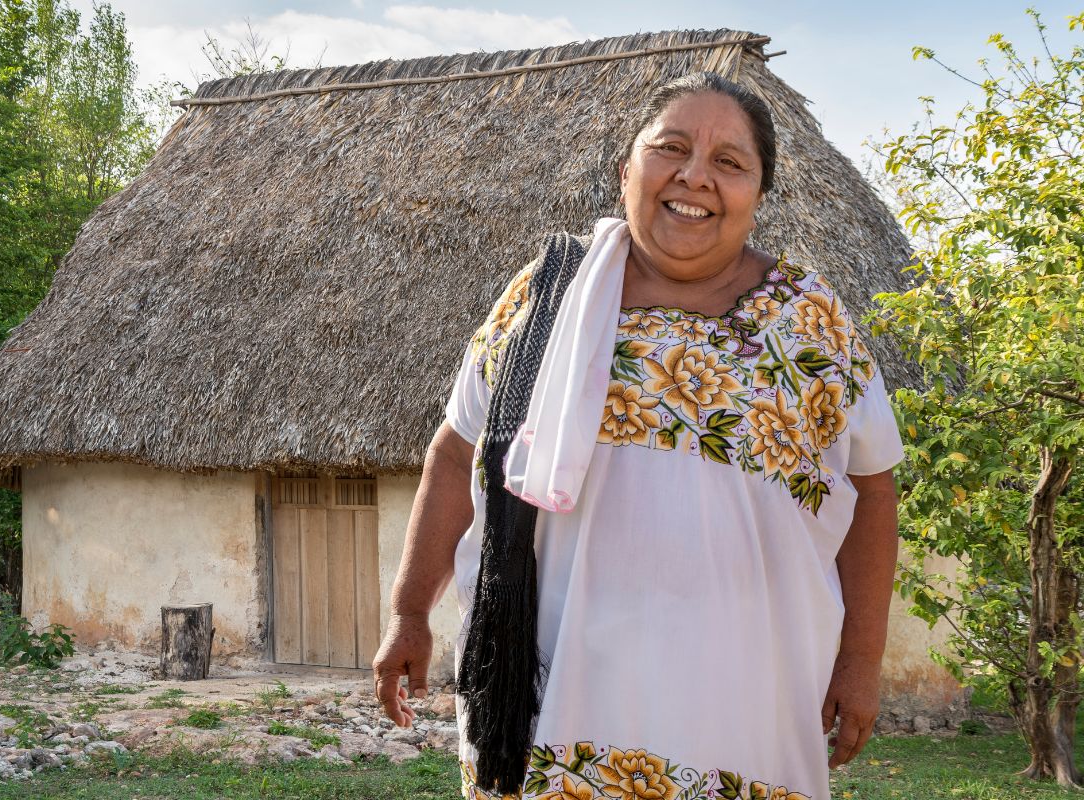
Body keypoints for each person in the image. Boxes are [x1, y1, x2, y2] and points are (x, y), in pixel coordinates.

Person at [373, 71, 903, 800]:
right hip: (552, 698)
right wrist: (408, 613)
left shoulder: (810, 324)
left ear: (759, 194)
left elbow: (874, 489)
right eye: (672, 148)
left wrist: (862, 659)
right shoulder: (545, 297)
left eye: (729, 162)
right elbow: (458, 449)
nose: (695, 176)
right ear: (628, 170)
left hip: (743, 707)